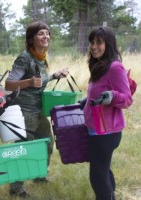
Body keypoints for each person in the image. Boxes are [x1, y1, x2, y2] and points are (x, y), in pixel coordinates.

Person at [5, 21, 68, 197]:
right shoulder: (24, 58)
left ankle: (39, 175)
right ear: (31, 38)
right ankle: (16, 188)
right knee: (22, 150)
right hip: (24, 112)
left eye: (47, 33)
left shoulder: (41, 58)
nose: (45, 36)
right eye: (41, 33)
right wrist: (29, 82)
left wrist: (55, 75)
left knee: (47, 143)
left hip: (38, 110)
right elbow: (9, 84)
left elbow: (40, 82)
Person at [82, 26, 132, 200]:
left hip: (106, 132)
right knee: (103, 169)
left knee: (97, 176)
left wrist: (112, 96)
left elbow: (127, 99)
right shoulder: (99, 65)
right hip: (96, 129)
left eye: (99, 43)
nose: (94, 46)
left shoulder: (114, 67)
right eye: (92, 42)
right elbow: (97, 92)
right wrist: (86, 101)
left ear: (108, 44)